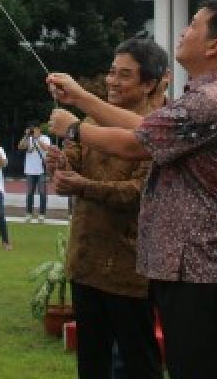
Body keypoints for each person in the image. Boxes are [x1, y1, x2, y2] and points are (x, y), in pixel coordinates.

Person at [47, 0, 217, 379]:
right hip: (191, 266)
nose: (183, 31)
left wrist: (74, 126)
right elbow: (143, 127)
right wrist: (81, 99)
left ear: (214, 46)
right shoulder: (208, 95)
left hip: (201, 266)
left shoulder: (211, 100)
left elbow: (135, 143)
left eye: (193, 25)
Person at [48, 37, 165, 379]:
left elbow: (138, 193)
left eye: (125, 75)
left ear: (150, 84)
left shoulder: (158, 128)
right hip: (86, 259)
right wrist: (58, 164)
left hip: (130, 267)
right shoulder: (93, 120)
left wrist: (81, 185)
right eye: (112, 72)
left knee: (138, 359)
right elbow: (72, 160)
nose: (113, 81)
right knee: (91, 360)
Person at [19, 123, 51, 222]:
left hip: (41, 170)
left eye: (36, 130)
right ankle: (29, 213)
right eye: (33, 130)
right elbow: (20, 147)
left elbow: (46, 148)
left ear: (39, 130)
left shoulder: (45, 138)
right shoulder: (29, 138)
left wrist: (37, 139)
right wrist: (26, 136)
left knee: (42, 193)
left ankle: (42, 214)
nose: (34, 132)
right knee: (29, 193)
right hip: (29, 170)